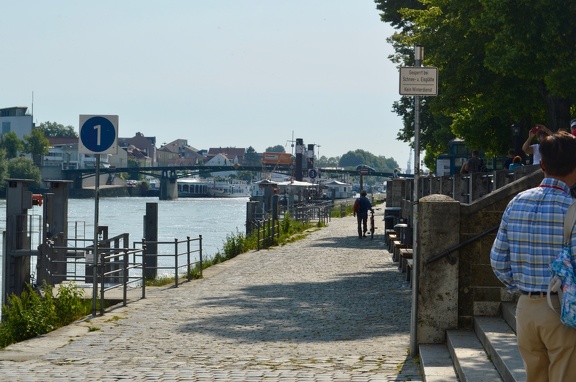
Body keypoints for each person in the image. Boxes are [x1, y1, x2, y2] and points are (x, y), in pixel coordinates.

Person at [490, 131, 576, 381]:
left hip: (526, 307)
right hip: (562, 309)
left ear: (542, 164)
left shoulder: (517, 201)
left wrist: (519, 285)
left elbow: (497, 259)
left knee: (534, 375)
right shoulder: (571, 208)